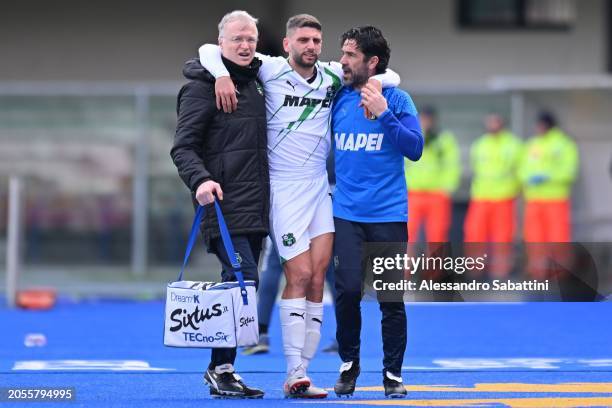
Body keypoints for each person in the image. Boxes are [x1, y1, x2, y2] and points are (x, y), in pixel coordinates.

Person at [198, 14, 400, 398]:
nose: (310, 46)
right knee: (300, 273)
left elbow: (395, 78)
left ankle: (301, 374)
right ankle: (292, 370)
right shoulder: (269, 68)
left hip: (318, 188)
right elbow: (208, 49)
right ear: (287, 45)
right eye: (303, 40)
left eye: (316, 41)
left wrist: (374, 83)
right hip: (282, 189)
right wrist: (221, 76)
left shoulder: (330, 75)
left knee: (318, 277)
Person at [170, 10, 268, 399]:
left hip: (256, 208)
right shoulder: (200, 88)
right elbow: (183, 147)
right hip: (222, 205)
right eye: (237, 39)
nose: (245, 46)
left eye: (250, 39)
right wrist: (201, 180)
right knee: (244, 282)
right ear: (220, 43)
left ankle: (222, 369)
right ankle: (220, 368)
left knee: (242, 285)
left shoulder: (259, 82)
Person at [331, 26, 423, 398]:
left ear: (372, 62)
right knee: (347, 291)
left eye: (351, 54)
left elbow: (414, 148)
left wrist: (384, 112)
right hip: (346, 214)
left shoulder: (399, 100)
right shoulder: (336, 98)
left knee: (390, 299)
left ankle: (393, 375)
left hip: (388, 215)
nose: (343, 60)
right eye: (343, 52)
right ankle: (349, 367)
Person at [519, 111, 579, 277]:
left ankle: (559, 272)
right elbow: (522, 169)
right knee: (533, 236)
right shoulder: (532, 144)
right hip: (534, 199)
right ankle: (537, 270)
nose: (537, 128)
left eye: (540, 125)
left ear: (547, 124)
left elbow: (569, 171)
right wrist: (528, 177)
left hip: (555, 199)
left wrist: (547, 177)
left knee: (558, 235)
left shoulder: (564, 144)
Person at [464, 114, 523, 277]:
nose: (492, 125)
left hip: (504, 197)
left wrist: (516, 190)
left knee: (502, 236)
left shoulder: (513, 145)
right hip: (481, 196)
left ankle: (500, 272)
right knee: (475, 233)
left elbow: (520, 171)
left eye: (495, 122)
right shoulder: (480, 144)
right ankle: (474, 270)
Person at [404, 106, 460, 243]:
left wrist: (447, 188)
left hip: (437, 194)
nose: (424, 123)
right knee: (407, 234)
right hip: (413, 193)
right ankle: (405, 265)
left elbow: (452, 164)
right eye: (422, 119)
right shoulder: (410, 136)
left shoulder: (443, 139)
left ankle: (436, 265)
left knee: (438, 235)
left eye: (427, 120)